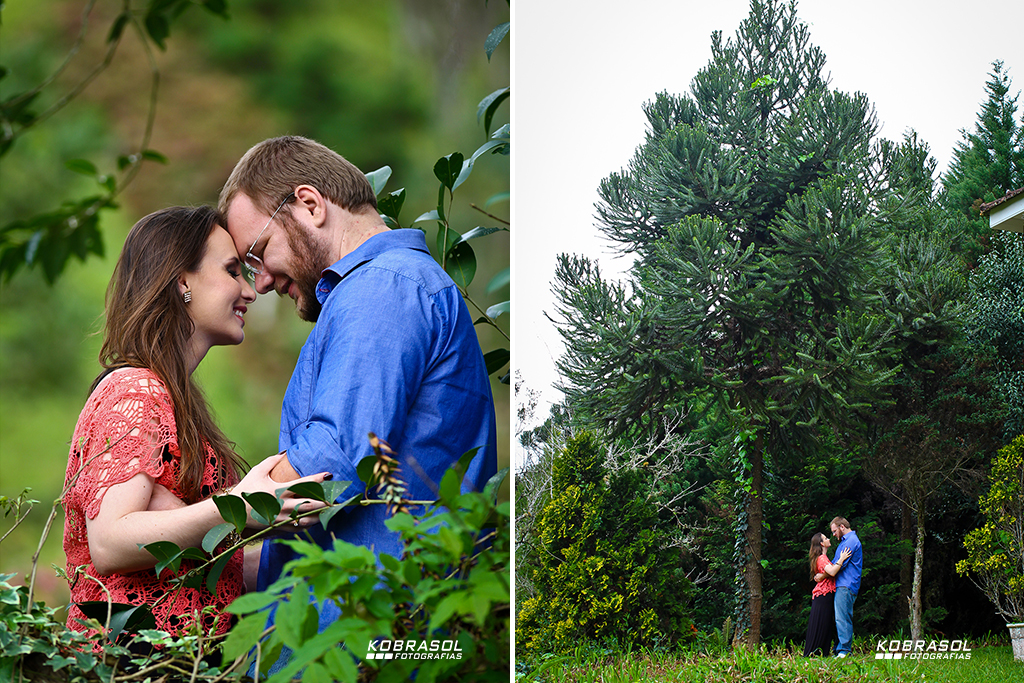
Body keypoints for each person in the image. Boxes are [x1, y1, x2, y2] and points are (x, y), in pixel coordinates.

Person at [217, 137, 498, 630]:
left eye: (259, 253)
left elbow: (328, 468)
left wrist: (187, 528)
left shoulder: (382, 287)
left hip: (379, 637)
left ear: (310, 204)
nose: (259, 283)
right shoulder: (380, 288)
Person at [62, 206, 330, 646]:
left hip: (178, 659)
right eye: (232, 271)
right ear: (182, 282)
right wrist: (235, 507)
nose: (250, 291)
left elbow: (193, 563)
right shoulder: (135, 390)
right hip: (129, 661)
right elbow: (109, 543)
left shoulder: (172, 397)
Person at [821, 516, 863, 658]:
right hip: (843, 584)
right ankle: (839, 649)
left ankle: (844, 650)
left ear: (842, 527)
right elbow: (835, 562)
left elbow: (838, 565)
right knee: (840, 617)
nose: (833, 535)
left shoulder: (850, 541)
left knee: (843, 618)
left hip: (846, 584)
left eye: (834, 531)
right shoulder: (846, 541)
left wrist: (822, 576)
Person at [803, 532, 852, 656]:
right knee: (822, 623)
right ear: (821, 543)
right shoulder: (822, 558)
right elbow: (832, 571)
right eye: (825, 538)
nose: (828, 539)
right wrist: (842, 558)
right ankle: (815, 652)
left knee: (824, 623)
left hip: (824, 594)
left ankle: (819, 652)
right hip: (824, 594)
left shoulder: (822, 558)